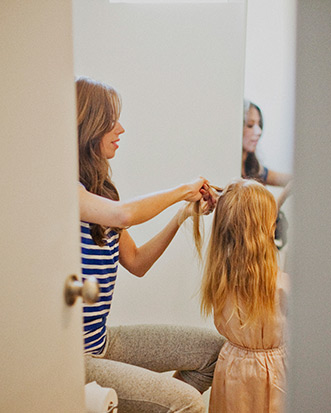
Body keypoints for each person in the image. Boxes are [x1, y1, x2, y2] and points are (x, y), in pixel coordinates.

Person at [75, 76, 224, 413]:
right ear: (89, 127)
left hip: (101, 341)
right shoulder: (66, 189)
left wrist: (183, 214)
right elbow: (125, 215)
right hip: (74, 357)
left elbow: (138, 263)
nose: (121, 129)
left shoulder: (99, 192)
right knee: (186, 403)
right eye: (112, 121)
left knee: (215, 352)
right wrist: (181, 190)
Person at [199, 178, 290, 413]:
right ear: (267, 231)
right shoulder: (281, 287)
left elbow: (248, 216)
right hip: (272, 374)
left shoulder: (220, 279)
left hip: (232, 369)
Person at [242, 100, 292, 249]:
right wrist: (281, 198)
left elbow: (291, 179)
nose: (258, 132)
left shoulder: (256, 170)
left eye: (259, 125)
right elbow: (255, 222)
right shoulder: (232, 176)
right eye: (250, 125)